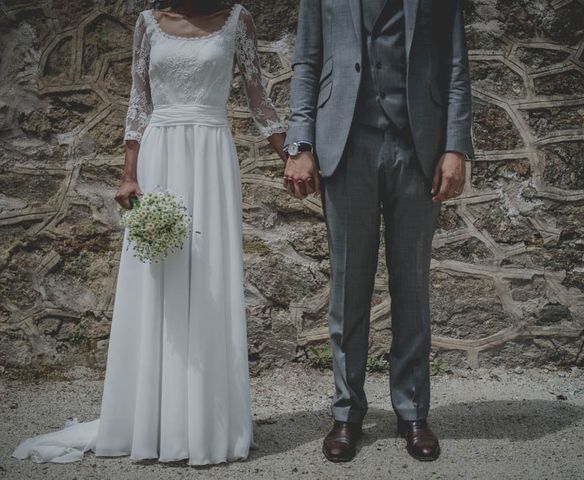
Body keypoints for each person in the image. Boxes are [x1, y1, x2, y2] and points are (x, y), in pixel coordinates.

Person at [13, 0, 286, 465]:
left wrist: (292, 154)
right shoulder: (147, 23)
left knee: (210, 279)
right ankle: (153, 420)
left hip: (212, 155)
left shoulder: (238, 20)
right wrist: (128, 173)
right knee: (157, 280)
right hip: (161, 155)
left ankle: (206, 424)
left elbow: (257, 95)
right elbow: (139, 101)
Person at [283, 0, 473, 462]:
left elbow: (456, 65)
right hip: (345, 144)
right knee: (349, 289)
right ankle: (347, 414)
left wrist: (455, 146)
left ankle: (412, 413)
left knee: (412, 285)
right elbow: (307, 61)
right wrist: (300, 142)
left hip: (418, 146)